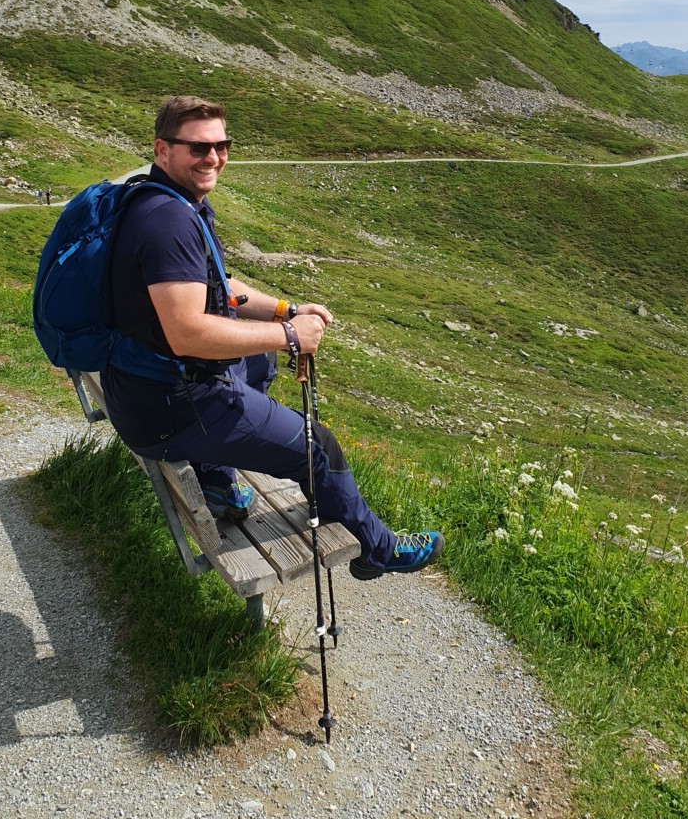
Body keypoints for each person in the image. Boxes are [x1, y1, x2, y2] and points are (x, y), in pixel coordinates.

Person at [101, 95, 444, 580]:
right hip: (171, 408)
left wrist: (288, 310)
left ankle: (216, 481)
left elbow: (219, 286)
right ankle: (378, 550)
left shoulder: (171, 201)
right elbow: (186, 334)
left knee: (258, 362)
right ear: (162, 149)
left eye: (221, 146)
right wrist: (288, 335)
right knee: (319, 446)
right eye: (198, 147)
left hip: (142, 388)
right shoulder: (168, 222)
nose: (213, 157)